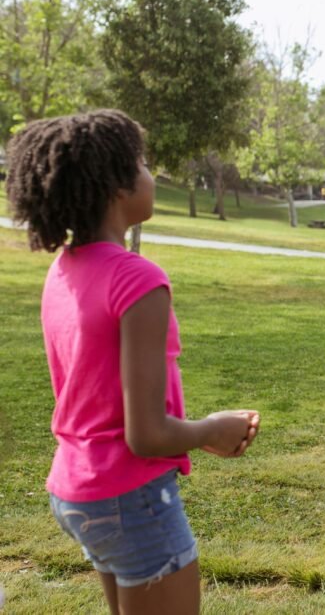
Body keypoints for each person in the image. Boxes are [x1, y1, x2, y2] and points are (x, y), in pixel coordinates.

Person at [4, 110, 260, 615]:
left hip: (77, 489)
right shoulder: (138, 280)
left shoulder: (64, 268)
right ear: (115, 185)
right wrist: (212, 428)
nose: (152, 173)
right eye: (143, 162)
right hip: (130, 496)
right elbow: (145, 436)